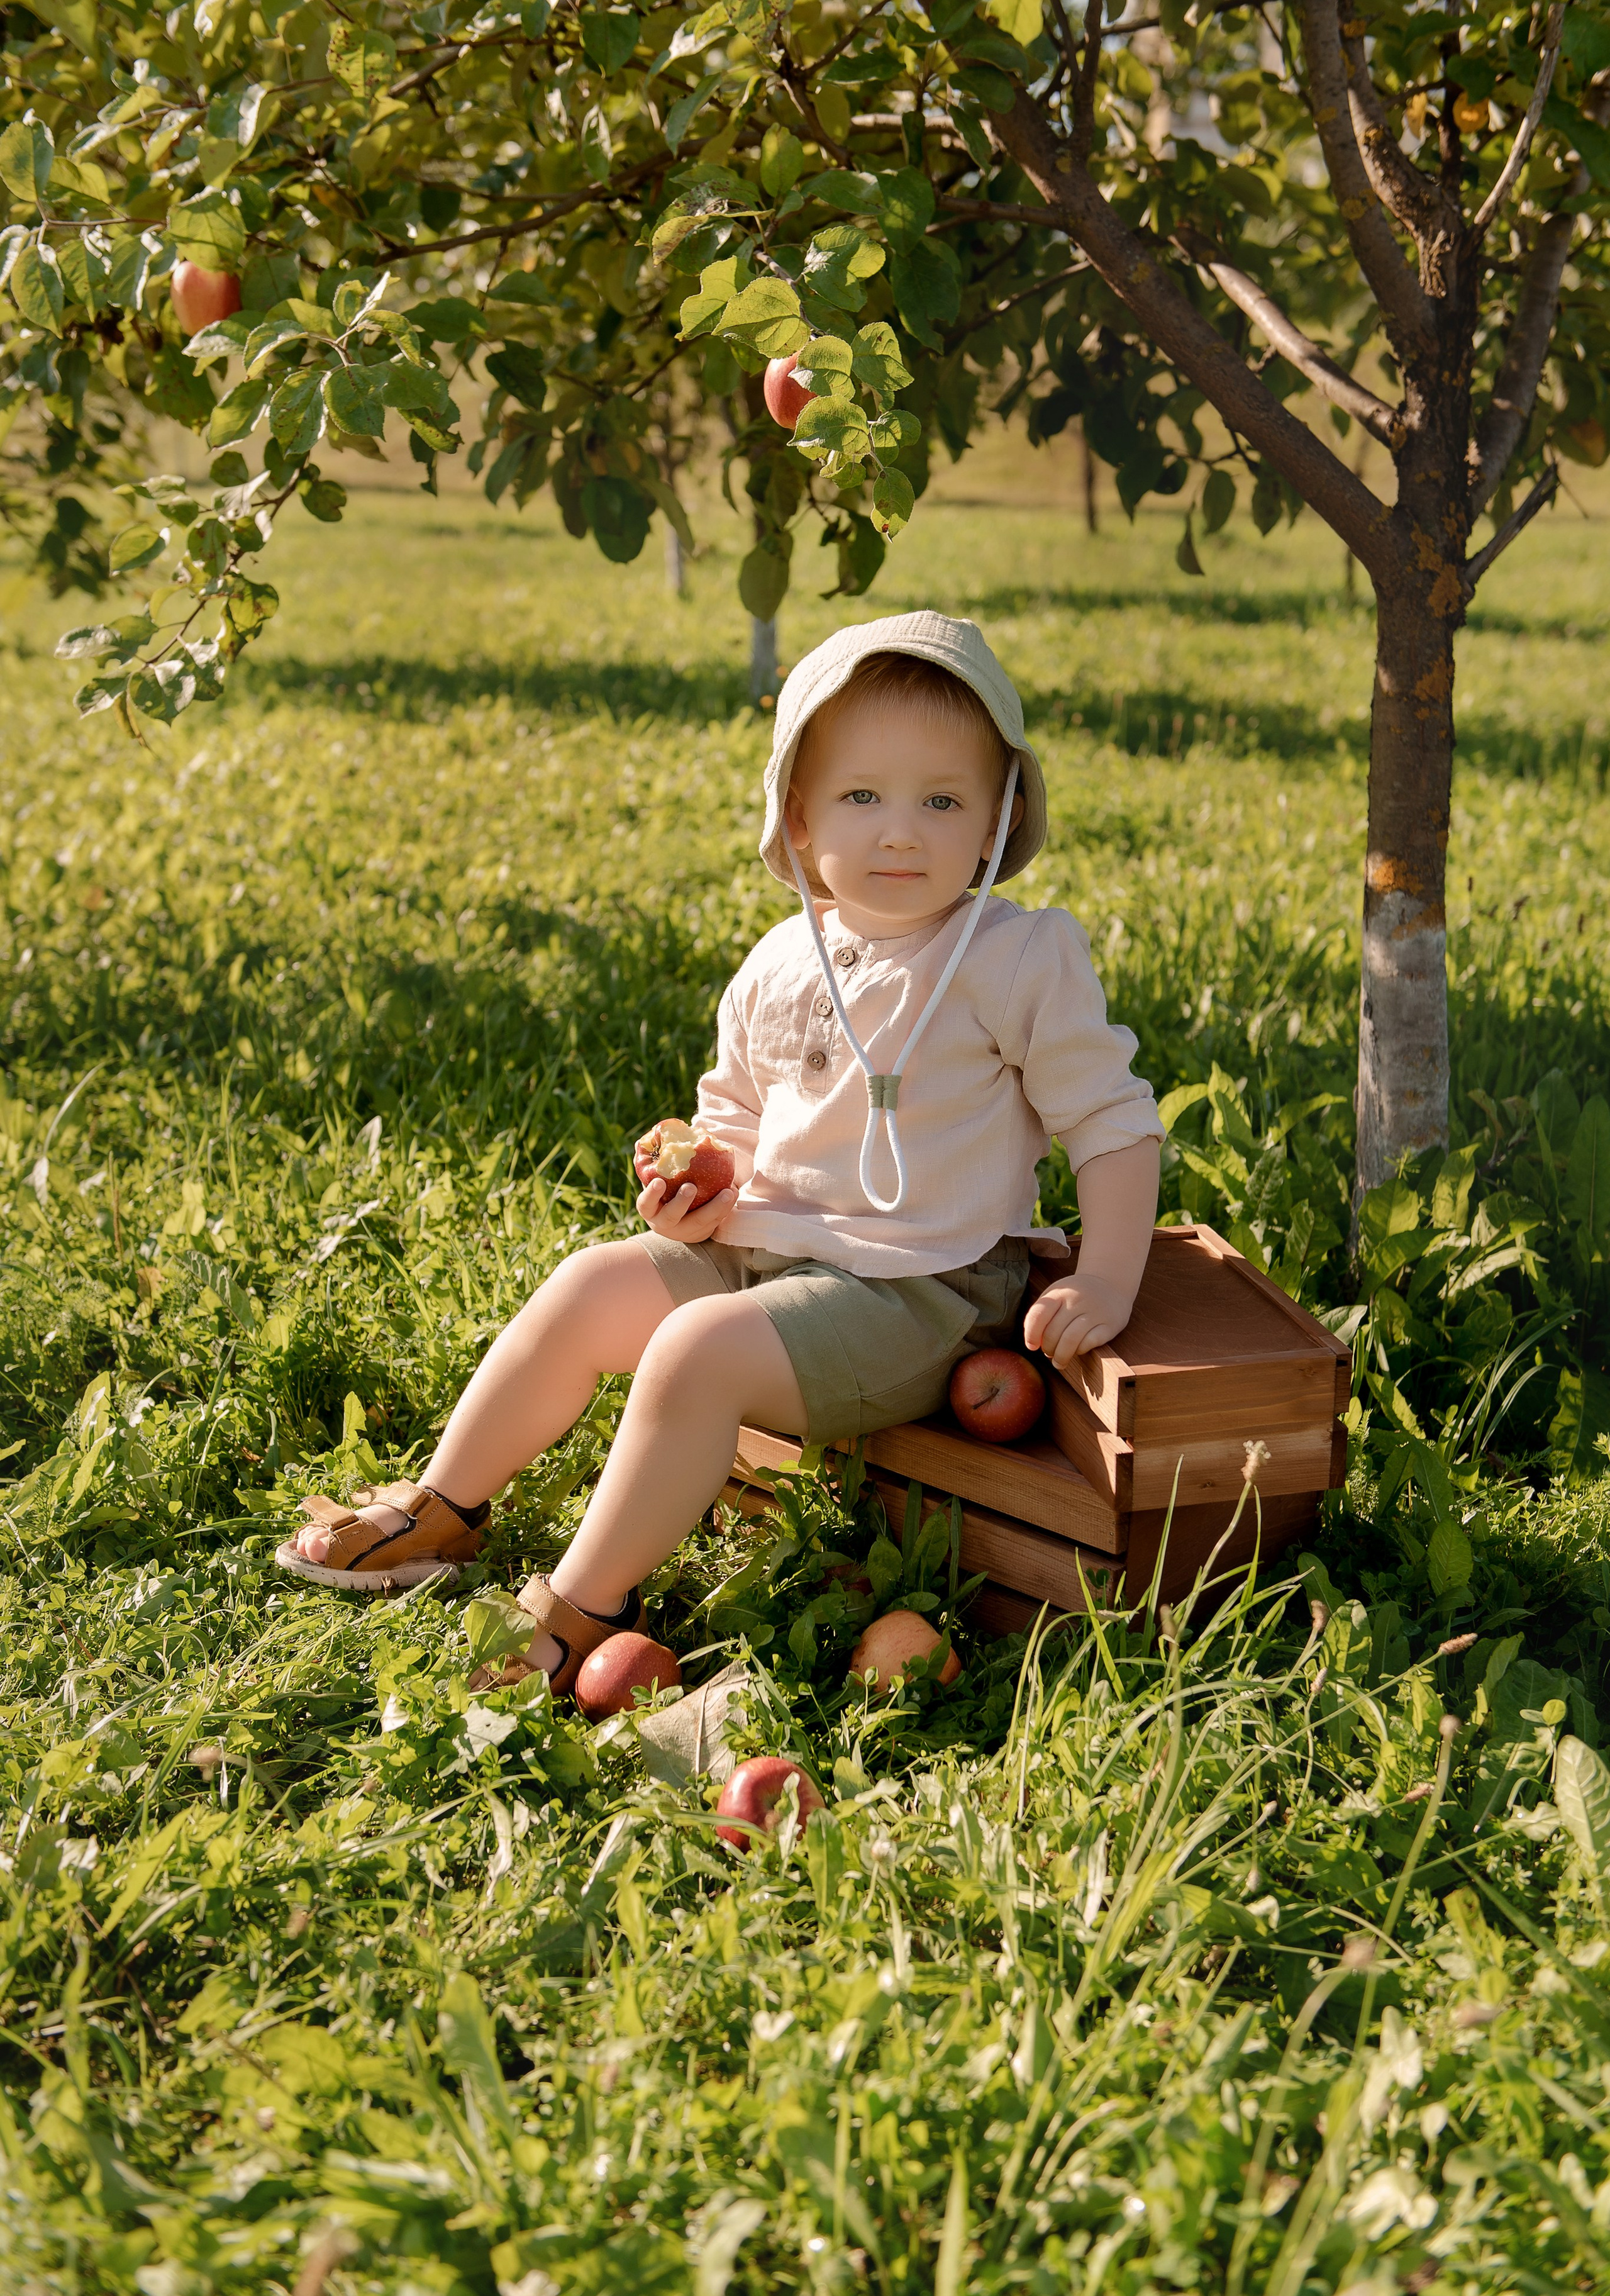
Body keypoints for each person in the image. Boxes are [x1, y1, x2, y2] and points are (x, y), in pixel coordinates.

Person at [277, 610, 1163, 1693]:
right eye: (862, 798)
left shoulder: (1017, 956)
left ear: (996, 818)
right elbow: (737, 1119)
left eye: (942, 800)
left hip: (922, 1290)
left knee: (696, 1352)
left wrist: (1111, 1276)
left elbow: (1110, 1121)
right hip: (772, 1256)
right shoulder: (784, 956)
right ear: (799, 820)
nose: (900, 833)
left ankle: (580, 1608)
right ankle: (445, 1505)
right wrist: (701, 1184)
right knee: (590, 1284)